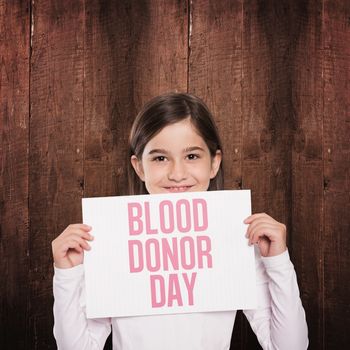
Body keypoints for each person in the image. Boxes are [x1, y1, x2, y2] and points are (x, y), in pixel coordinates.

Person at [52, 92, 308, 349]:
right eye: (160, 158)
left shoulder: (238, 243)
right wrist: (68, 275)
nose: (177, 174)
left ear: (214, 163)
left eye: (192, 156)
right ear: (139, 166)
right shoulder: (112, 242)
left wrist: (277, 263)